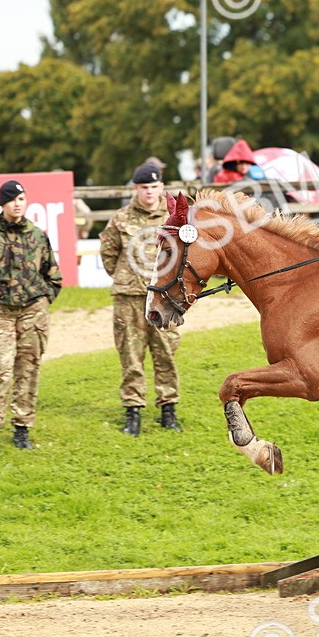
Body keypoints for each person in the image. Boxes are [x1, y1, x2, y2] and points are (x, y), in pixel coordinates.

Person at [0, 180, 62, 453]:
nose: (18, 204)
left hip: (32, 311)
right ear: (2, 203)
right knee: (1, 371)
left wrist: (44, 300)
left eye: (21, 199)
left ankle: (22, 428)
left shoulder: (38, 235)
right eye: (12, 199)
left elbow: (53, 274)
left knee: (28, 369)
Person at [100, 163, 182, 436]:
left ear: (162, 186)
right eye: (144, 187)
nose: (149, 192)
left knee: (166, 352)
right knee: (131, 355)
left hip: (165, 296)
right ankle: (133, 410)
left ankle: (168, 409)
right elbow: (108, 254)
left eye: (154, 186)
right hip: (129, 297)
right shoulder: (121, 218)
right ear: (136, 188)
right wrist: (127, 277)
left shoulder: (173, 218)